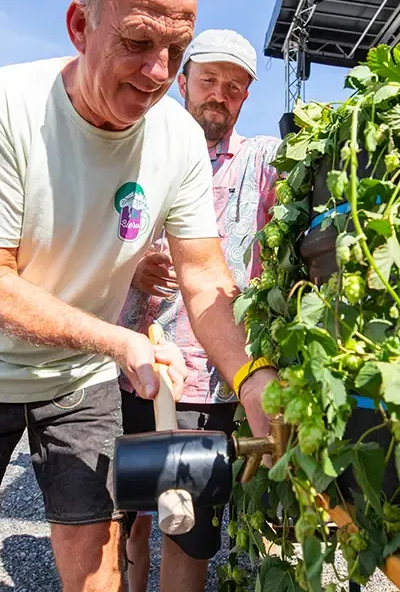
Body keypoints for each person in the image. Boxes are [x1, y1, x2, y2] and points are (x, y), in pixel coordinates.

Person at [0, 0, 278, 591]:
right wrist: (118, 339)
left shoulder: (177, 138)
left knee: (94, 549)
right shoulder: (3, 105)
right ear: (79, 24)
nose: (158, 71)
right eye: (138, 41)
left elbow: (207, 276)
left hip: (82, 374)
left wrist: (252, 373)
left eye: (174, 50)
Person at [118, 29, 281, 592]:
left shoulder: (259, 158)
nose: (220, 93)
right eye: (209, 80)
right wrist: (131, 267)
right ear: (182, 79)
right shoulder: (137, 147)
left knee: (189, 524)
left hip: (209, 379)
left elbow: (301, 168)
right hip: (128, 363)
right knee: (125, 512)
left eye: (234, 87)